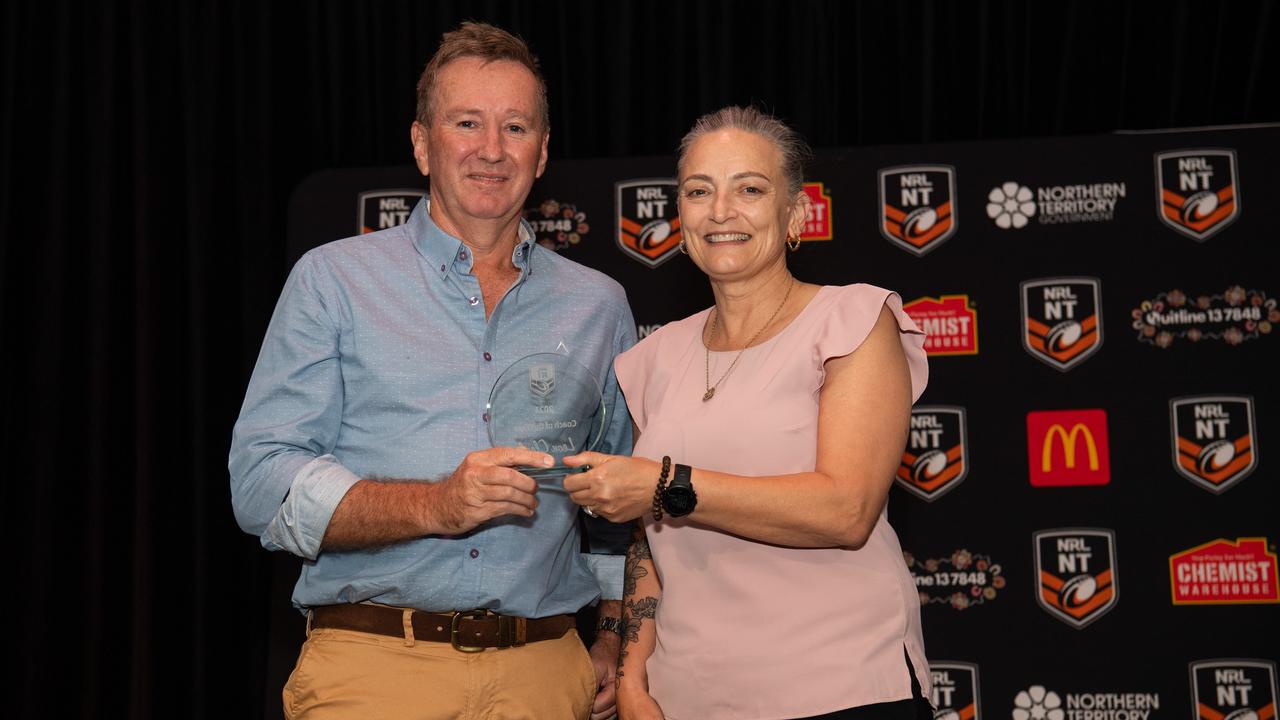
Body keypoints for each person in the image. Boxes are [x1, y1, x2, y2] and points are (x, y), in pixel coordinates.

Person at [229, 22, 634, 720]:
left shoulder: (598, 305)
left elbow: (617, 504)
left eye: (515, 126)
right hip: (376, 669)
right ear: (421, 143)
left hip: (544, 676)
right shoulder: (334, 281)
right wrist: (435, 505)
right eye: (466, 122)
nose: (491, 149)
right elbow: (262, 484)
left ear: (543, 153)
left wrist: (612, 638)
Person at [562, 106, 935, 720]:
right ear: (679, 216)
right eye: (698, 191)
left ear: (796, 214)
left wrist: (664, 484)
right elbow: (646, 545)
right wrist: (632, 680)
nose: (721, 211)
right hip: (688, 700)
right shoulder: (653, 358)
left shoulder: (854, 322)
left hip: (839, 688)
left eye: (750, 189)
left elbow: (846, 511)